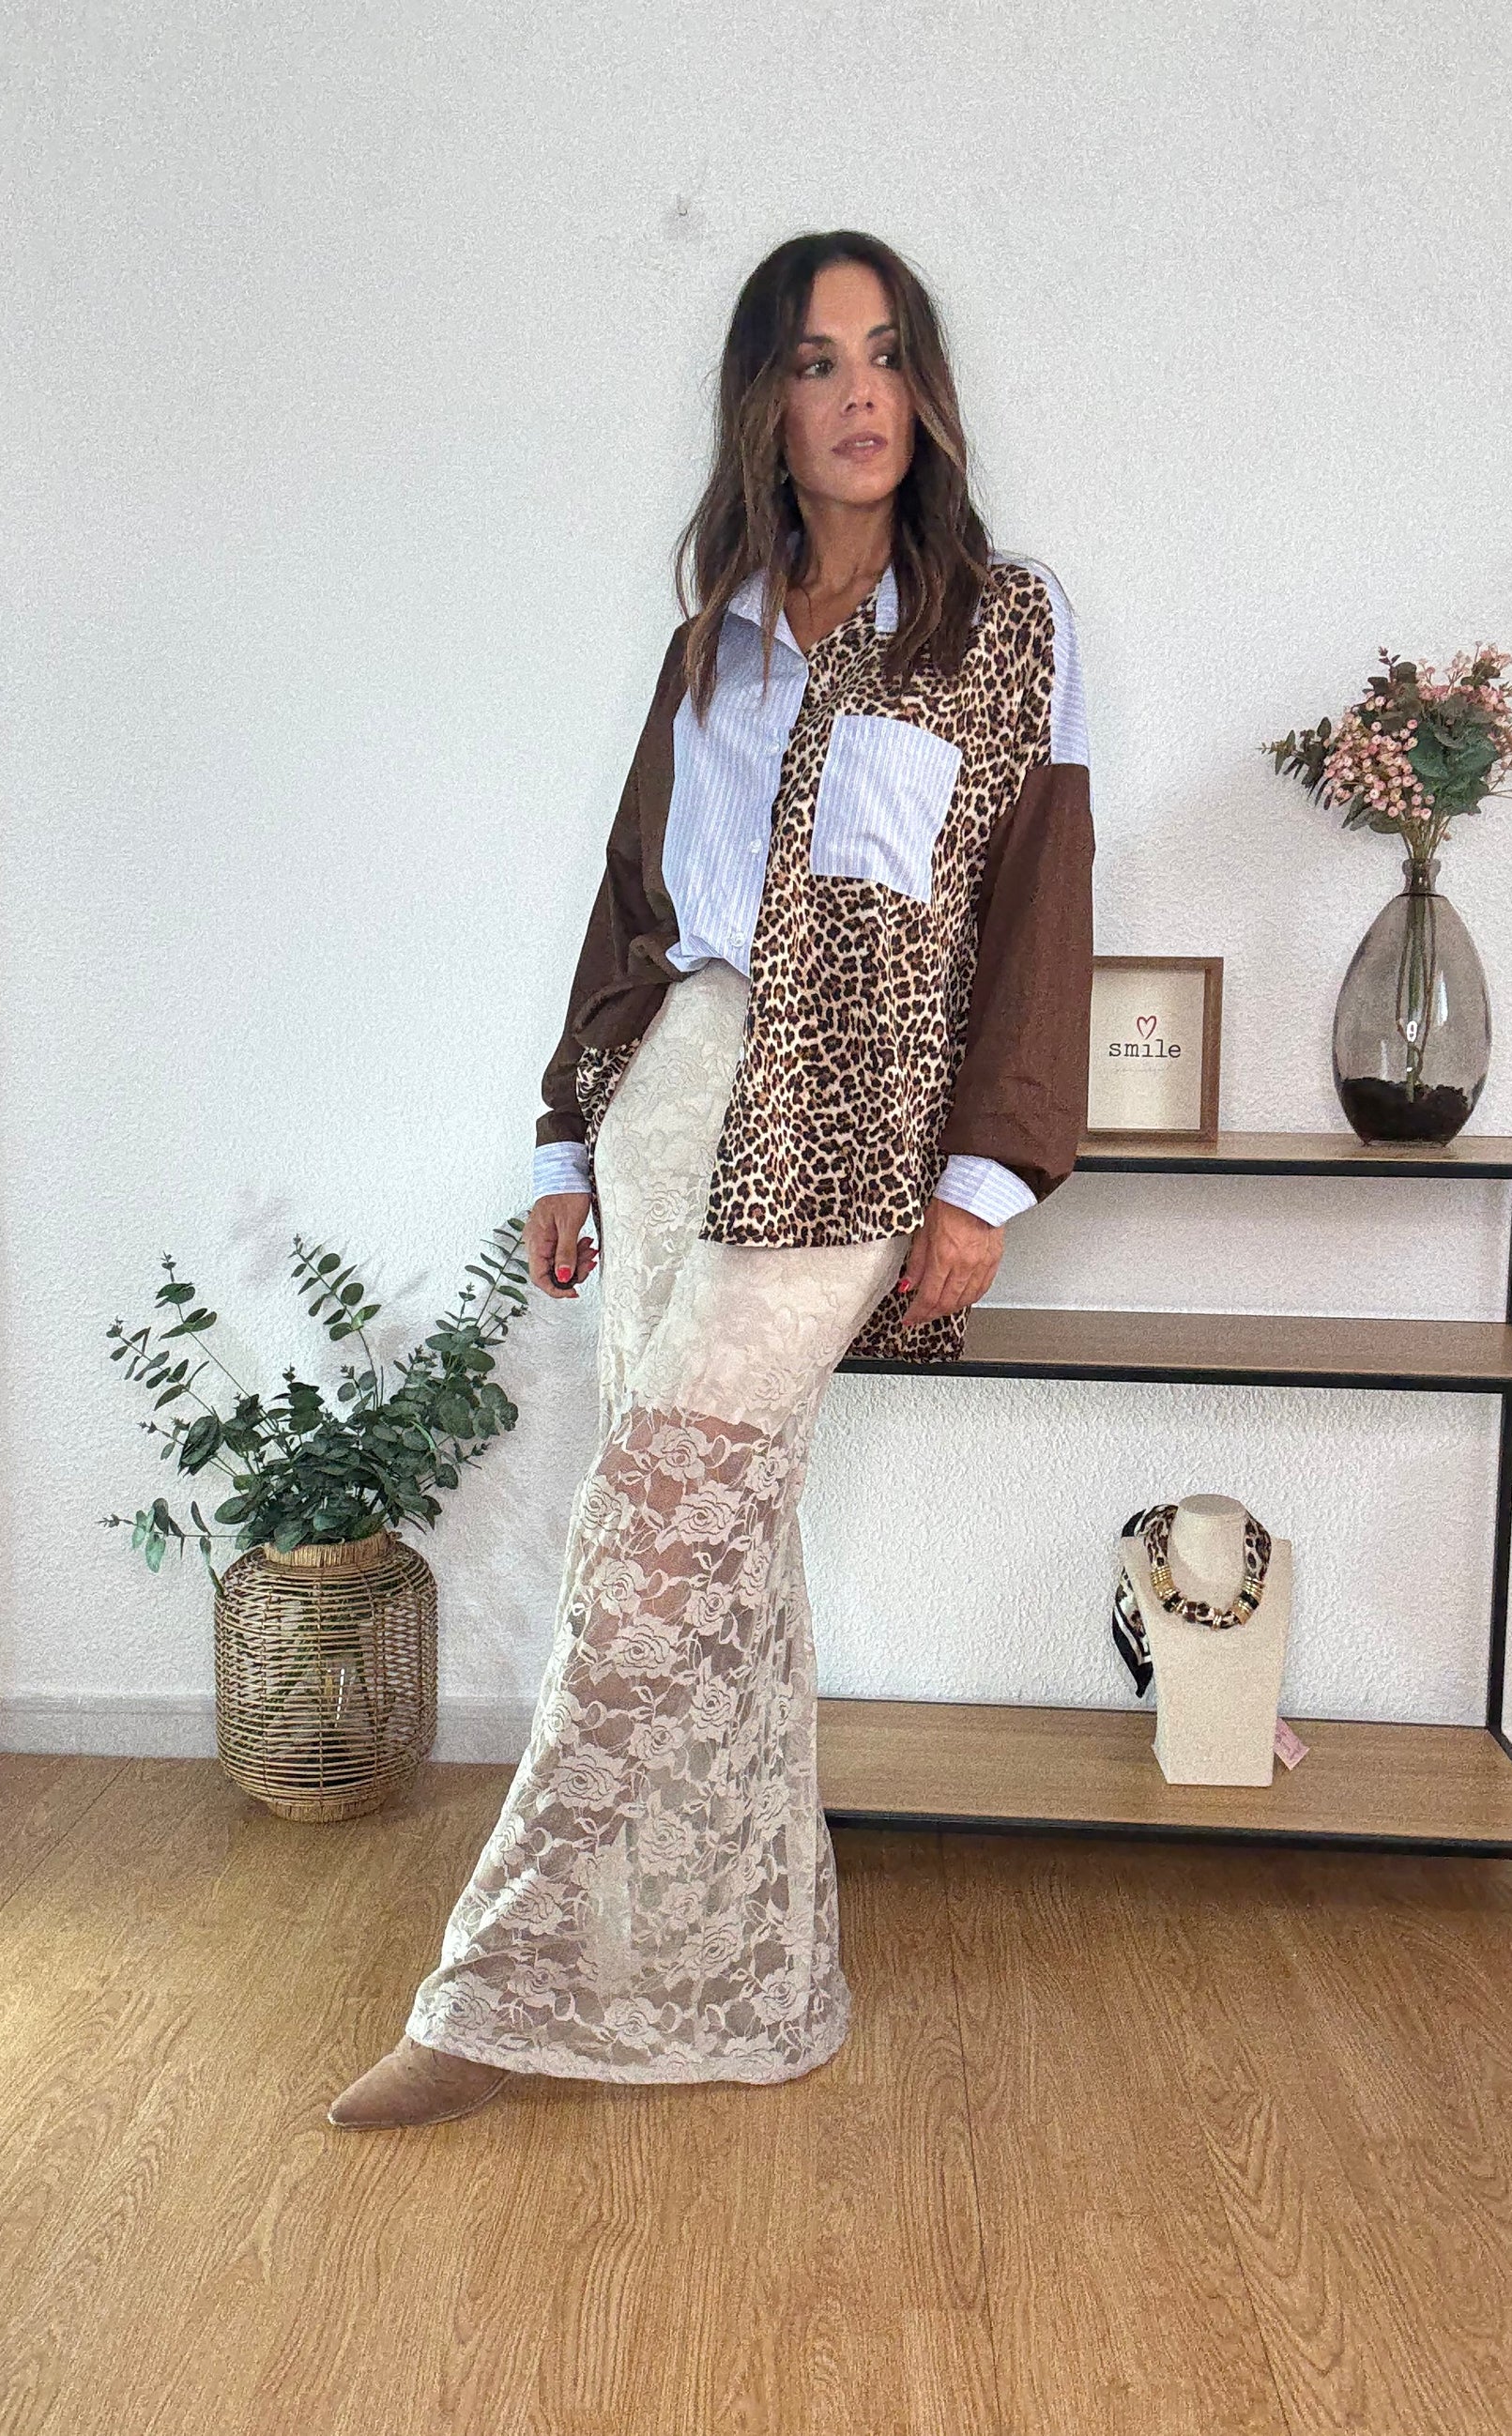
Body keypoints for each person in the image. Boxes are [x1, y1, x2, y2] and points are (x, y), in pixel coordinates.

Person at [327, 228, 1094, 2129]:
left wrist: (986, 1181)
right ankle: (743, 1984)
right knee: (722, 1567)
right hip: (671, 1097)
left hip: (848, 1134)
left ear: (925, 390)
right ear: (765, 402)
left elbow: (1037, 910)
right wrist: (562, 1138)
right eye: (817, 362)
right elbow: (632, 911)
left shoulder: (1004, 625)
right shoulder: (710, 646)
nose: (857, 395)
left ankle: (488, 1989)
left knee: (651, 1544)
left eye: (885, 355)